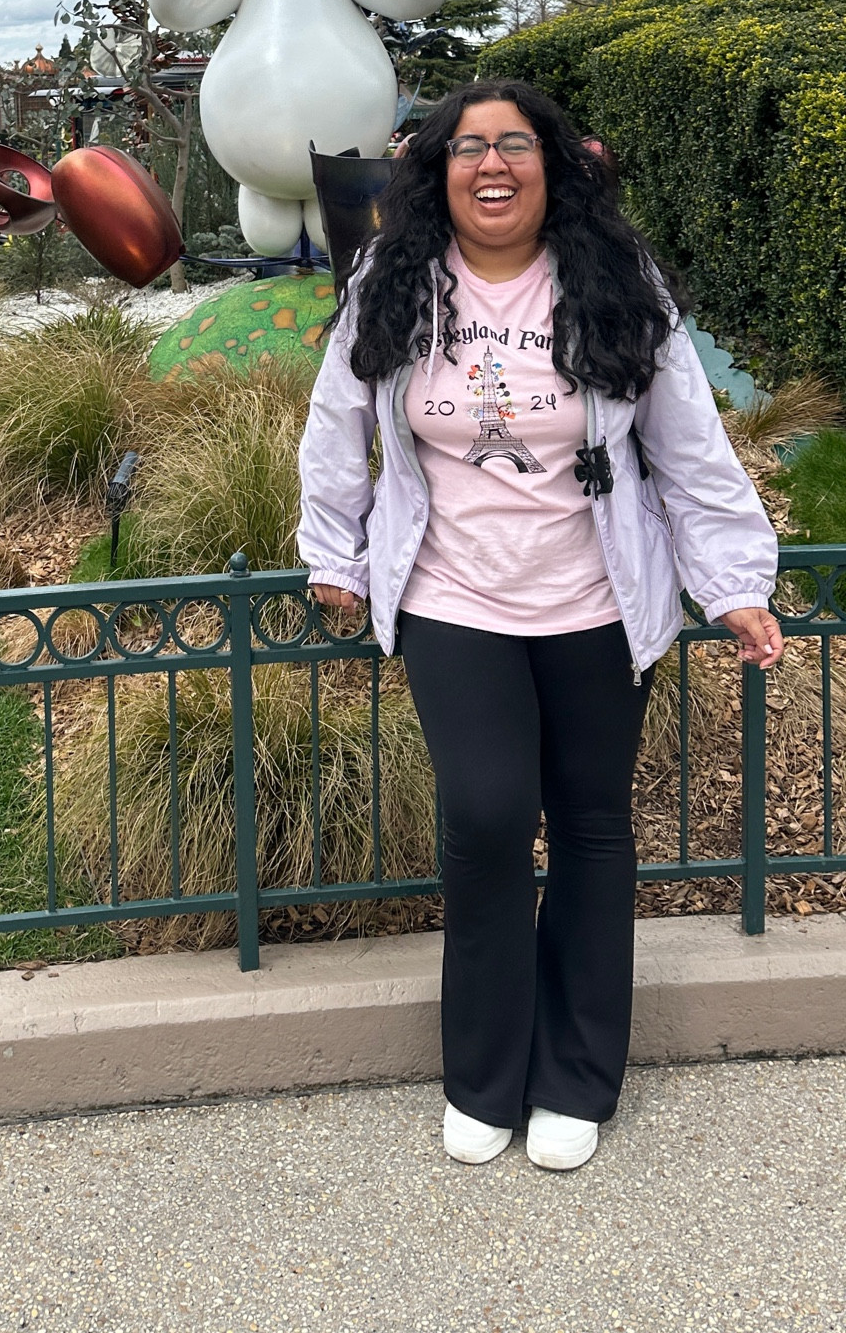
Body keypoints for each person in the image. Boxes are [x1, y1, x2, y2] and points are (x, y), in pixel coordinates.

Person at [297, 78, 781, 1174]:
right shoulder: (394, 278)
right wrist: (332, 549)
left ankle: (576, 1073)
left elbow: (688, 444)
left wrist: (736, 579)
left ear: (553, 164)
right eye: (469, 147)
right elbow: (339, 420)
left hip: (599, 600)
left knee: (595, 826)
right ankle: (484, 1072)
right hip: (453, 593)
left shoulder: (614, 279)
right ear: (438, 171)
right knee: (485, 815)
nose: (493, 163)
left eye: (515, 143)